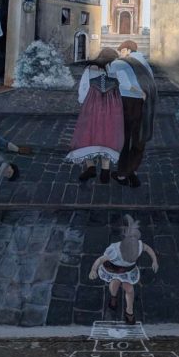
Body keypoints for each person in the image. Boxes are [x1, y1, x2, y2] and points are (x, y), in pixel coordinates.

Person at [67, 48, 124, 184]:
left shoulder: (90, 69)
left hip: (92, 104)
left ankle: (91, 167)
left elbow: (83, 88)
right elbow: (123, 87)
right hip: (113, 106)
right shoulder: (118, 69)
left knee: (87, 134)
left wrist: (83, 102)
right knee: (108, 135)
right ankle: (105, 170)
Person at [89, 215, 158, 325]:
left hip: (128, 271)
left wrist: (154, 260)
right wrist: (93, 270)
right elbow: (100, 259)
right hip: (113, 270)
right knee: (114, 283)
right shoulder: (114, 250)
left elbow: (148, 249)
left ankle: (129, 310)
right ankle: (113, 297)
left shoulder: (139, 245)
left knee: (129, 289)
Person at [111, 40, 158, 188]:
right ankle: (132, 170)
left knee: (124, 139)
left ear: (127, 50)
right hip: (143, 104)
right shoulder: (144, 62)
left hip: (128, 103)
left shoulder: (123, 63)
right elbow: (151, 83)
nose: (119, 54)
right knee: (139, 138)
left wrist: (138, 92)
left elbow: (125, 84)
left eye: (121, 51)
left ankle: (121, 174)